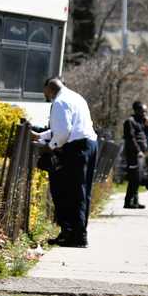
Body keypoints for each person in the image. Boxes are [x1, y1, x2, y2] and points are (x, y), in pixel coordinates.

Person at [32, 77, 98, 248]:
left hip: (77, 148)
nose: (45, 96)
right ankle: (73, 233)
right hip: (89, 144)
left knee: (72, 192)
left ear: (49, 89)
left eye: (45, 92)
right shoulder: (76, 97)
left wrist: (50, 147)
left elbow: (63, 132)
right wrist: (41, 136)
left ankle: (76, 236)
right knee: (82, 191)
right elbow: (65, 128)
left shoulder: (59, 102)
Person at [122, 101, 148, 209]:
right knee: (134, 178)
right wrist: (138, 151)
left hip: (141, 154)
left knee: (138, 178)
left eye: (145, 111)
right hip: (133, 154)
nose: (144, 113)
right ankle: (128, 202)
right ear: (136, 110)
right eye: (143, 111)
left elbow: (146, 134)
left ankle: (135, 201)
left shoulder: (141, 122)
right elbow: (131, 138)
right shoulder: (129, 122)